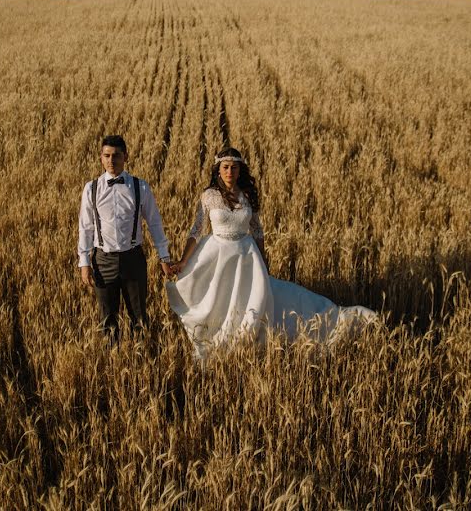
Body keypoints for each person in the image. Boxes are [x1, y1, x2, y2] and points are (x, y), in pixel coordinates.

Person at [166, 147, 376, 358]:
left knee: (253, 301)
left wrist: (263, 262)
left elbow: (257, 231)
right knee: (218, 301)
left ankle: (322, 321)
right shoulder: (209, 196)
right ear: (218, 170)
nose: (230, 172)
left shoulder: (247, 195)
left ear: (240, 171)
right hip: (218, 256)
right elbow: (197, 230)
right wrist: (184, 260)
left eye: (234, 168)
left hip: (246, 256)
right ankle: (219, 337)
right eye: (226, 167)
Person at [78, 135, 174, 341]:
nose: (111, 161)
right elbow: (86, 228)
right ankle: (113, 363)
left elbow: (155, 224)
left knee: (138, 316)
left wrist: (164, 257)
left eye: (116, 156)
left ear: (126, 157)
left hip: (133, 258)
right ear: (101, 158)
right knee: (107, 319)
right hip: (103, 260)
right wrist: (84, 262)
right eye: (107, 156)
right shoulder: (91, 189)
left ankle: (142, 362)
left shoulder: (140, 187)